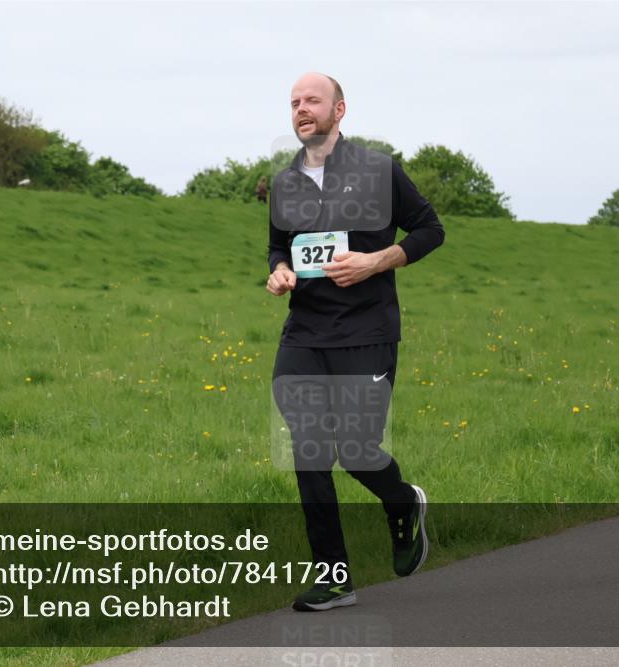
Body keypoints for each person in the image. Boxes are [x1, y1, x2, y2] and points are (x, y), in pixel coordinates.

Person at [266, 72, 445, 612]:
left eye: (312, 100)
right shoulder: (284, 183)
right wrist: (279, 273)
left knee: (358, 452)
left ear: (339, 110)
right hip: (305, 332)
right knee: (310, 449)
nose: (302, 109)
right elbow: (278, 247)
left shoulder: (378, 170)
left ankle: (402, 502)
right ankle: (334, 575)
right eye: (294, 102)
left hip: (366, 331)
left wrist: (377, 260)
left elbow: (429, 229)